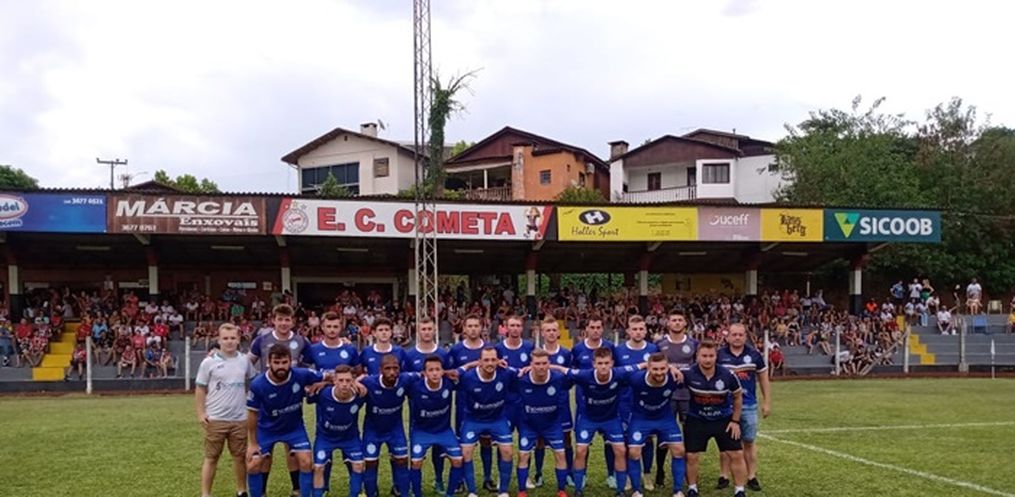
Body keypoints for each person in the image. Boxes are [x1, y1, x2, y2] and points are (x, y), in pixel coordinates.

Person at [248, 304, 314, 497]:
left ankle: (297, 489)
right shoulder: (262, 340)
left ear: (292, 321)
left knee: (292, 449)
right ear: (273, 320)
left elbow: (312, 363)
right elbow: (247, 362)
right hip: (267, 400)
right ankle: (261, 491)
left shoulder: (301, 341)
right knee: (265, 454)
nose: (283, 323)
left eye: (287, 319)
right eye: (280, 319)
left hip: (291, 397)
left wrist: (308, 384)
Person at [195, 323, 256, 497]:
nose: (229, 341)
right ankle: (206, 494)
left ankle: (241, 491)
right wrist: (201, 413)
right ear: (219, 340)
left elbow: (254, 382)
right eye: (225, 338)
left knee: (239, 457)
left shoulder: (244, 360)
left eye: (232, 338)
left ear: (238, 340)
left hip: (240, 418)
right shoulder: (208, 362)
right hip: (215, 418)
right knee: (211, 457)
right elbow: (200, 388)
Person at [562, 347, 630, 497]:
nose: (603, 366)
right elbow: (563, 370)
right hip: (588, 419)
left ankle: (620, 490)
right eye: (600, 363)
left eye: (606, 363)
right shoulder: (585, 375)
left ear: (612, 363)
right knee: (581, 450)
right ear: (594, 364)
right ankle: (578, 489)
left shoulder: (619, 373)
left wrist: (672, 368)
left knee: (620, 450)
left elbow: (642, 366)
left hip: (611, 419)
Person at [682, 341, 747, 497]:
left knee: (736, 454)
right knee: (691, 456)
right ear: (697, 356)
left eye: (711, 356)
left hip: (723, 420)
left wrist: (735, 421)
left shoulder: (728, 375)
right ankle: (692, 488)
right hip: (696, 419)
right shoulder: (687, 373)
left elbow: (738, 397)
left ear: (716, 356)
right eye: (704, 356)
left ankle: (740, 490)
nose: (708, 359)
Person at [717, 324, 771, 492]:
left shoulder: (754, 355)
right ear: (728, 337)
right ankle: (724, 475)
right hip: (725, 406)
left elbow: (763, 378)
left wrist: (767, 402)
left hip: (748, 405)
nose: (737, 337)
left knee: (748, 441)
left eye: (740, 335)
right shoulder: (719, 355)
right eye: (734, 334)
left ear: (745, 337)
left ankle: (751, 476)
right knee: (726, 444)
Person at [624, 353, 687, 497]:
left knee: (679, 450)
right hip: (640, 418)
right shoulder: (636, 379)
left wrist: (674, 368)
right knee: (634, 452)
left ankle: (678, 491)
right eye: (655, 369)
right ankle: (637, 491)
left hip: (664, 418)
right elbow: (618, 375)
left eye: (662, 369)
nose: (659, 373)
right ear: (648, 368)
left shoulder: (675, 377)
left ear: (667, 367)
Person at [456, 346, 516, 497]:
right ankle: (472, 492)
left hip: (497, 419)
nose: (490, 363)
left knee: (508, 451)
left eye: (493, 360)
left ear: (498, 361)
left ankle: (503, 491)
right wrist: (469, 365)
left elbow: (525, 372)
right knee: (466, 452)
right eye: (486, 360)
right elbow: (454, 374)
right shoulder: (468, 377)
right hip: (473, 419)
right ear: (480, 362)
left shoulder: (506, 373)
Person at [403, 317, 452, 494]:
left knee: (439, 447)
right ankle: (413, 484)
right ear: (418, 331)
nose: (426, 332)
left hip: (440, 407)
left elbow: (449, 375)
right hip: (418, 408)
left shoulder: (443, 354)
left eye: (429, 329)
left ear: (434, 330)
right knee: (416, 448)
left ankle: (438, 479)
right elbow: (406, 380)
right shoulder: (409, 354)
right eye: (423, 329)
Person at [570, 315, 618, 489]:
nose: (595, 330)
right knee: (583, 445)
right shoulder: (577, 349)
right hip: (585, 405)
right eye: (592, 327)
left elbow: (617, 372)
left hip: (608, 405)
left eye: (598, 327)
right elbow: (573, 373)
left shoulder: (610, 347)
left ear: (602, 329)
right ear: (586, 329)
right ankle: (581, 476)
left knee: (610, 442)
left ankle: (611, 475)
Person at [406, 356, 465, 497]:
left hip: (444, 431)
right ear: (424, 373)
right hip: (421, 431)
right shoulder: (415, 387)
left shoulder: (449, 383)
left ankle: (449, 494)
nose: (434, 373)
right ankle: (416, 493)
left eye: (437, 369)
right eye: (430, 370)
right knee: (416, 462)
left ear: (442, 371)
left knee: (457, 460)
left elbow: (464, 370)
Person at [514, 349, 570, 497]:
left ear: (549, 364)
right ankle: (522, 491)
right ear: (531, 364)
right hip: (529, 424)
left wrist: (557, 367)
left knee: (560, 454)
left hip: (552, 424)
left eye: (544, 363)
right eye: (537, 364)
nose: (541, 367)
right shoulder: (521, 379)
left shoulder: (558, 378)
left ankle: (561, 490)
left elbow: (577, 375)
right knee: (523, 455)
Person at [448, 315, 494, 492]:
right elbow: (452, 374)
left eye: (476, 326)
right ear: (464, 329)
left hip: (487, 402)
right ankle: (460, 479)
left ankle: (488, 478)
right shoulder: (456, 350)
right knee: (464, 443)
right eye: (470, 326)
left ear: (481, 328)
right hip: (464, 403)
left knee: (486, 441)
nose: (473, 329)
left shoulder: (489, 349)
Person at [615, 315, 660, 491]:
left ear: (646, 331)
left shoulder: (653, 349)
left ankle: (647, 474)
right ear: (628, 331)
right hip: (625, 400)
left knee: (647, 438)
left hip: (647, 400)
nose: (638, 332)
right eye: (634, 329)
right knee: (627, 439)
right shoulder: (619, 350)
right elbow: (616, 373)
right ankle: (627, 475)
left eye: (641, 329)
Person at [655, 308, 697, 490]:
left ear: (685, 323)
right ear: (668, 323)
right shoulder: (660, 344)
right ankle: (660, 471)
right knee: (663, 436)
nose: (677, 323)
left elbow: (699, 366)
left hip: (688, 396)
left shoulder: (694, 344)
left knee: (690, 436)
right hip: (667, 397)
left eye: (680, 320)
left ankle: (689, 475)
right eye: (674, 320)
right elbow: (654, 365)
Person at [530, 316, 574, 490]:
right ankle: (539, 473)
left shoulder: (566, 354)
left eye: (554, 330)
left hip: (561, 403)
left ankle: (569, 473)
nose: (551, 333)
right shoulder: (536, 353)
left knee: (566, 438)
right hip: (541, 403)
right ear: (542, 332)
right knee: (540, 439)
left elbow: (570, 378)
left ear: (558, 332)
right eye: (548, 330)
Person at [309, 365, 366, 497]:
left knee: (358, 465)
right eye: (341, 380)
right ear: (334, 381)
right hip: (325, 437)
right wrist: (323, 383)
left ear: (353, 381)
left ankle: (356, 494)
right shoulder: (324, 393)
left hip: (350, 437)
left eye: (348, 380)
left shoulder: (360, 394)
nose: (344, 384)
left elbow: (371, 379)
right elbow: (307, 392)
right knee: (318, 467)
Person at [360, 355, 413, 497]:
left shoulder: (405, 379)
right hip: (373, 430)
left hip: (395, 429)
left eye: (395, 368)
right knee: (370, 463)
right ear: (380, 370)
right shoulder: (369, 382)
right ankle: (372, 492)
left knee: (402, 460)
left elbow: (424, 374)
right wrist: (356, 382)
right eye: (387, 368)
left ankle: (400, 491)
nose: (392, 372)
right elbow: (350, 382)